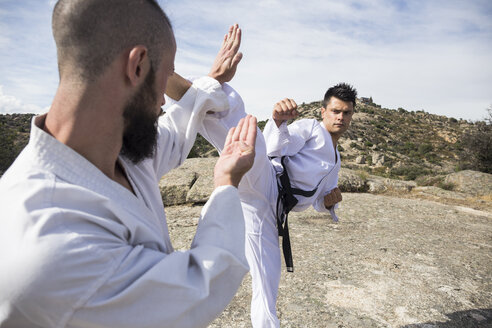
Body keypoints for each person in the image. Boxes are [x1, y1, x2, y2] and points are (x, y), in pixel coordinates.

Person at [0, 1, 256, 327]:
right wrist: (225, 186)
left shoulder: (115, 149)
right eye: (165, 79)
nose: (164, 100)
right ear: (136, 66)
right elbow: (194, 293)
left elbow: (174, 130)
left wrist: (212, 82)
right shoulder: (52, 245)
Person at [194, 80, 357, 327]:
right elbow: (276, 146)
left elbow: (318, 202)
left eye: (346, 113)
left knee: (267, 283)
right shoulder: (310, 128)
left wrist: (329, 203)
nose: (341, 117)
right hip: (269, 181)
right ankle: (192, 95)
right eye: (336, 111)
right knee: (246, 141)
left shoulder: (336, 161)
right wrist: (279, 121)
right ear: (323, 111)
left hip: (272, 213)